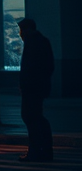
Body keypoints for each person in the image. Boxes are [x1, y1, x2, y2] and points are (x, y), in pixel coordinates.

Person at [17, 19, 54, 162]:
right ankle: (45, 150)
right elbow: (49, 66)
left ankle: (35, 151)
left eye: (21, 30)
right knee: (37, 117)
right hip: (38, 87)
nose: (20, 34)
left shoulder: (33, 42)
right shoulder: (42, 41)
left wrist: (25, 85)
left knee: (30, 117)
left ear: (27, 29)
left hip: (32, 88)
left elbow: (29, 68)